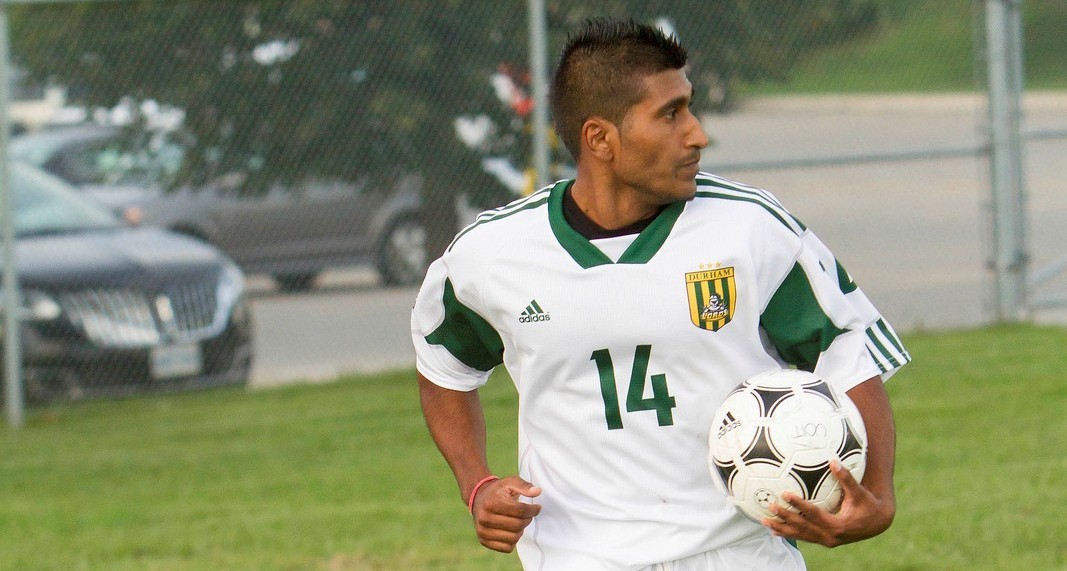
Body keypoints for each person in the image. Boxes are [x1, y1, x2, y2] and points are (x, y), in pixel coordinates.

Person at [411, 17, 910, 570]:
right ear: (599, 138)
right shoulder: (493, 254)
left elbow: (849, 358)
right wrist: (476, 483)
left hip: (738, 554)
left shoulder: (751, 229)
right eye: (670, 114)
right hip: (577, 558)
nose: (696, 133)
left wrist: (880, 495)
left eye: (689, 107)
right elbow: (444, 369)